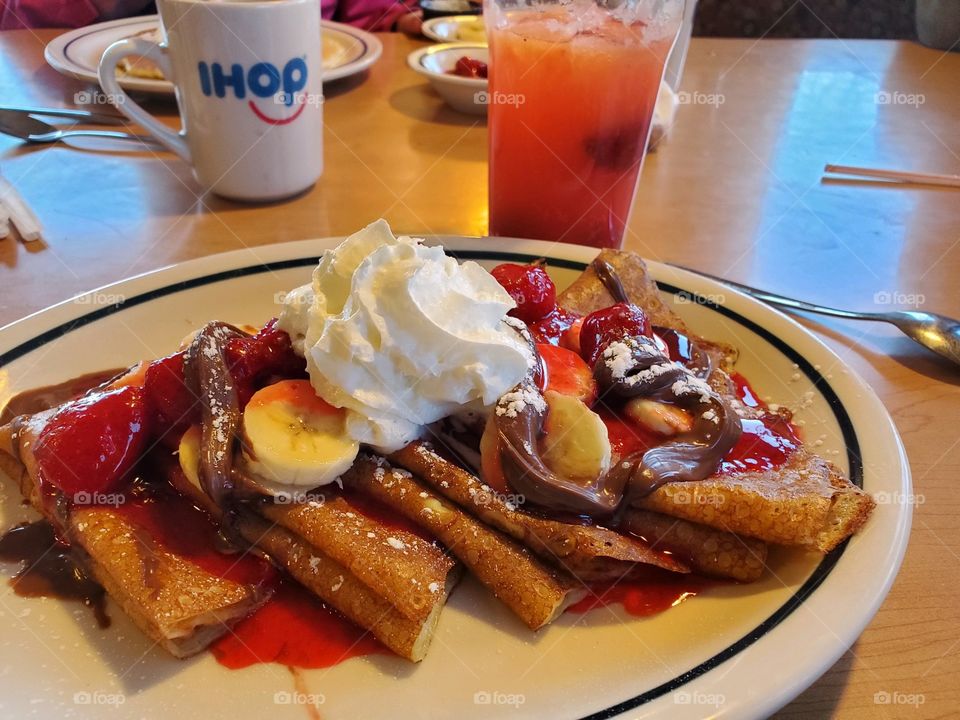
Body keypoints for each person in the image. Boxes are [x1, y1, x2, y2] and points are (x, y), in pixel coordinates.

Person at [1, 0, 423, 34]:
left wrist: (393, 18)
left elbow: (369, 13)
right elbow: (20, 27)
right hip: (133, 115)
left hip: (317, 100)